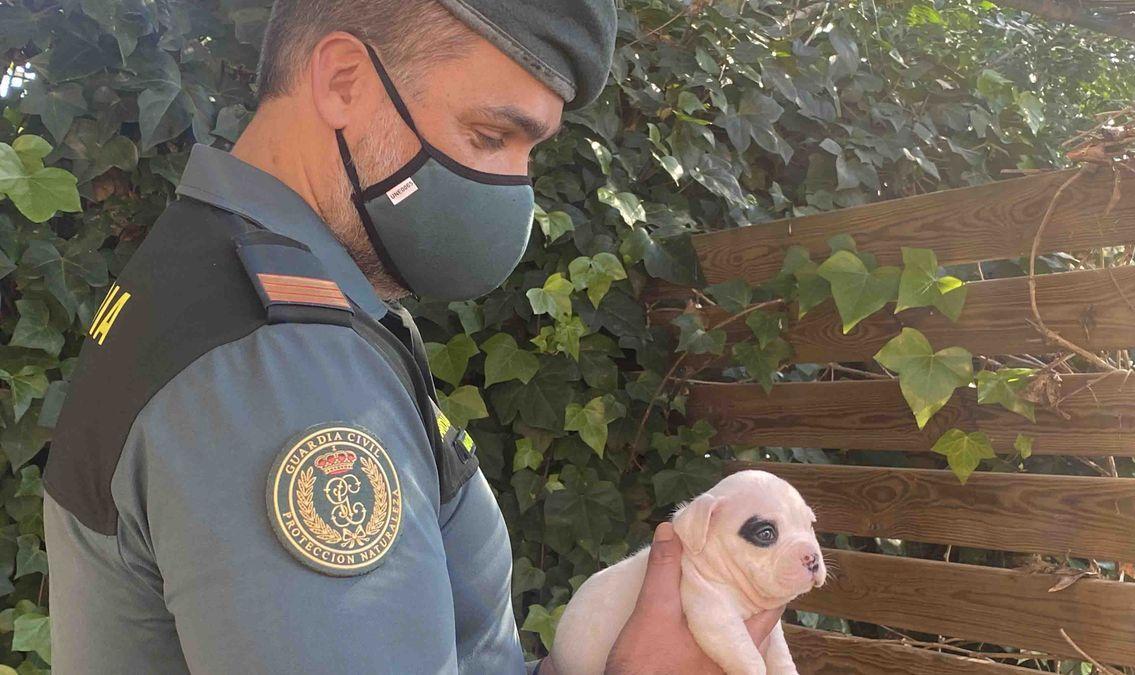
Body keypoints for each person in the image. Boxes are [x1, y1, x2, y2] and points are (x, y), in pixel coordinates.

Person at [42, 1, 784, 672]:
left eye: (532, 152)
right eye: (491, 135)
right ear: (342, 81)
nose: (514, 190)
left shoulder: (224, 277)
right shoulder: (288, 373)